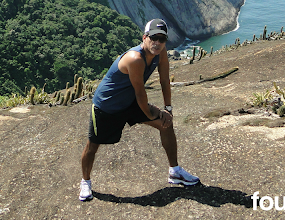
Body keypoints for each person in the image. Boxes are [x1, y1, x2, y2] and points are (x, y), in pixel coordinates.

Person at [79, 18, 199, 201]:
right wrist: (153, 112)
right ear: (145, 37)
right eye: (154, 38)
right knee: (93, 145)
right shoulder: (135, 59)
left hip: (130, 102)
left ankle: (175, 171)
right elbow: (141, 94)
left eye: (162, 39)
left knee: (166, 124)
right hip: (107, 106)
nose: (157, 43)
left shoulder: (161, 52)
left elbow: (165, 80)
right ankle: (85, 181)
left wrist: (167, 110)